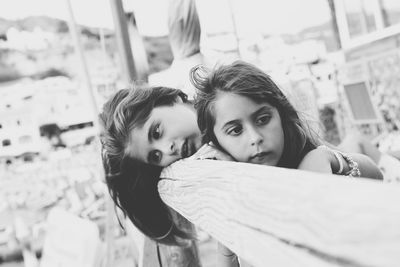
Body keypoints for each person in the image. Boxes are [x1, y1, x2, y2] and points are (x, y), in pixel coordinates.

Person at [190, 61, 383, 266]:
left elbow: (377, 175)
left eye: (263, 119)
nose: (255, 137)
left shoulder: (309, 158)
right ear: (216, 143)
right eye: (236, 130)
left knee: (356, 140)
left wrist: (328, 158)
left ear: (281, 115)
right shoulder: (233, 201)